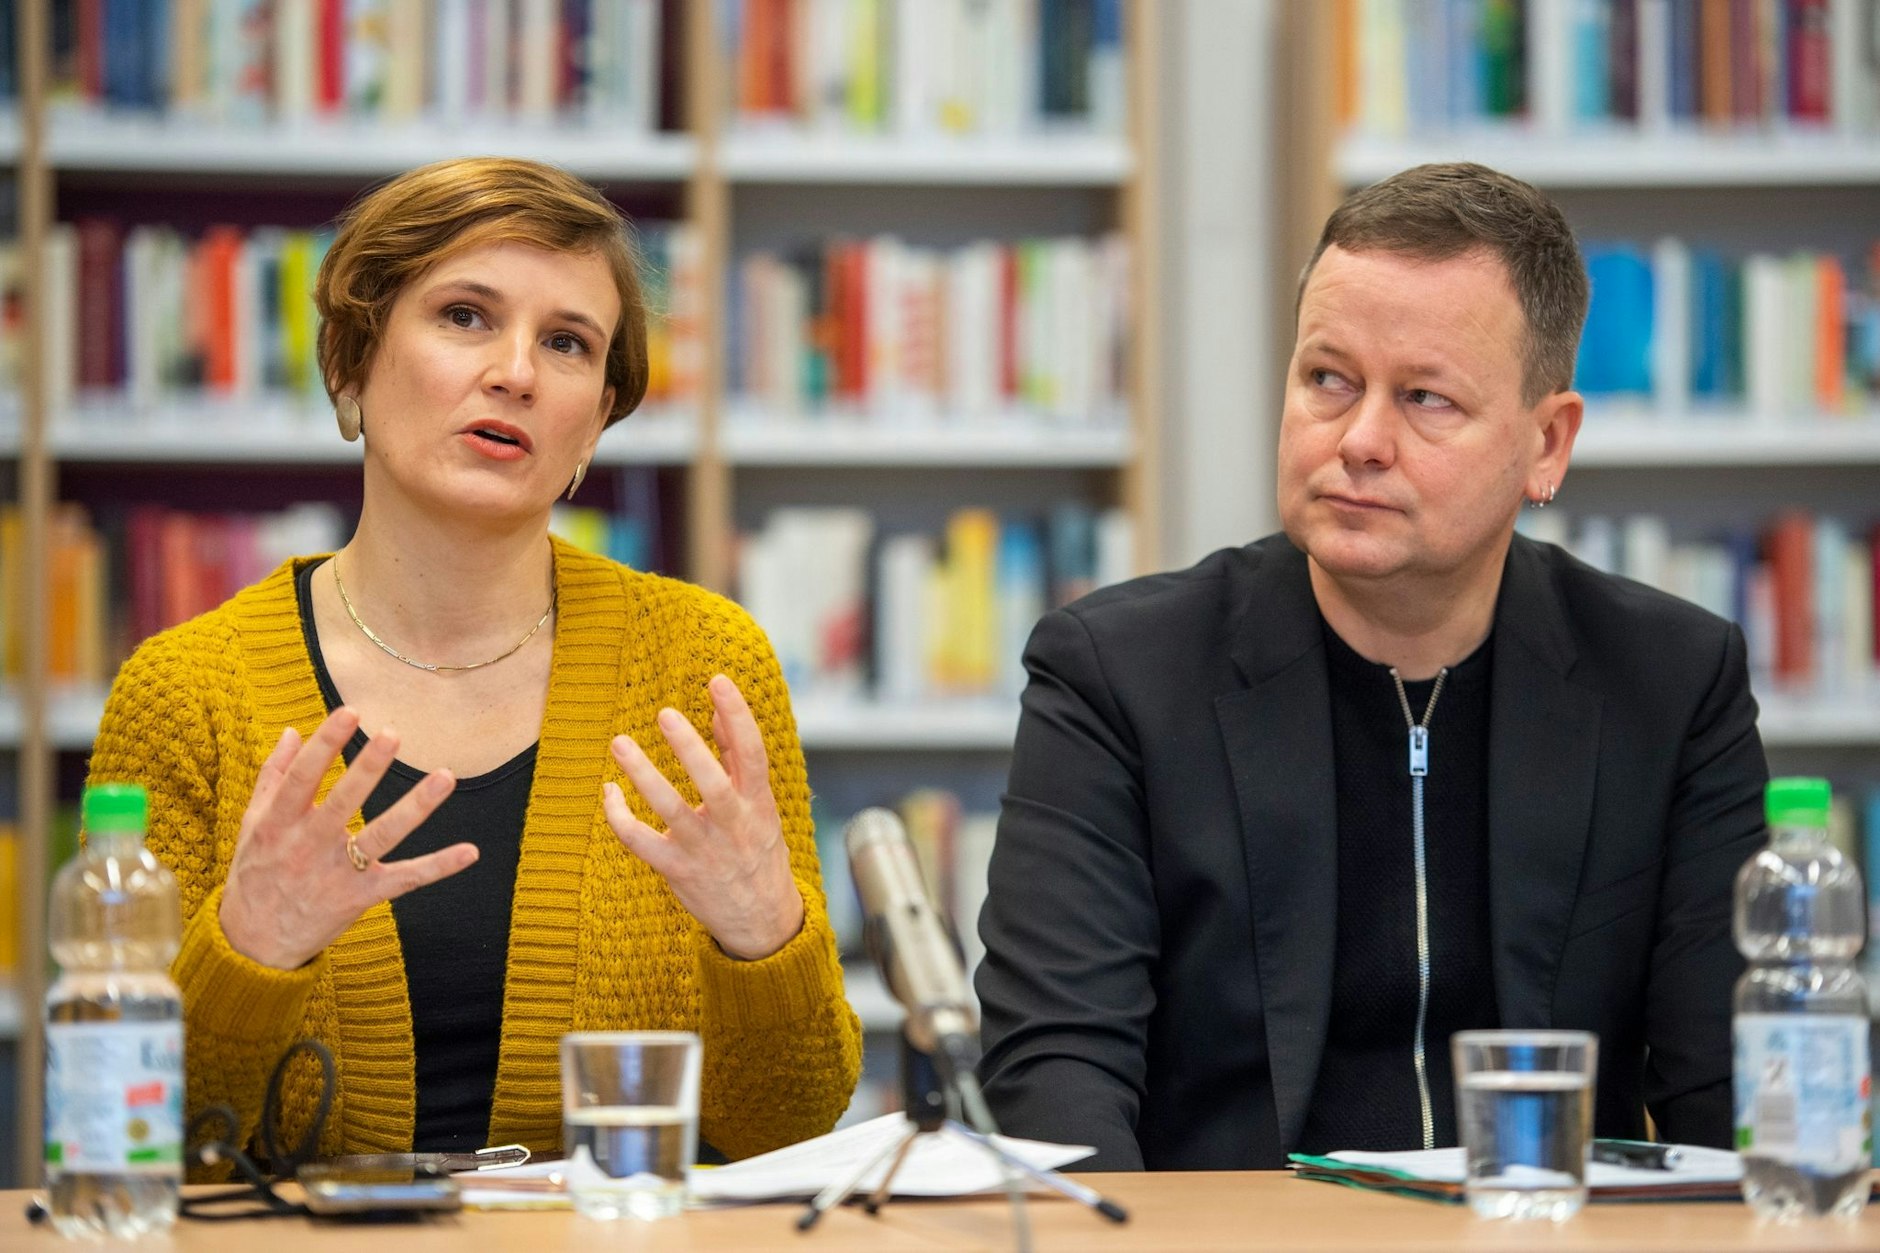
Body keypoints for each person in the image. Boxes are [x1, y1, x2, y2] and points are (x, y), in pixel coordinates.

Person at [975, 162, 1766, 1170]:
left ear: (1545, 443)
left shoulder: (1668, 681)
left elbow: (1737, 1097)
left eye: (1424, 398)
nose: (1357, 440)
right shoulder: (1116, 678)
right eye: (1326, 379)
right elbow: (1053, 1082)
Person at [87, 157, 861, 1170]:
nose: (517, 372)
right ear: (353, 363)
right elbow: (122, 1139)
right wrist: (253, 947)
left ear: (593, 424)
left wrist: (764, 937)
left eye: (567, 343)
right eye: (463, 316)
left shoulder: (702, 665)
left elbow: (791, 1127)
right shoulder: (187, 691)